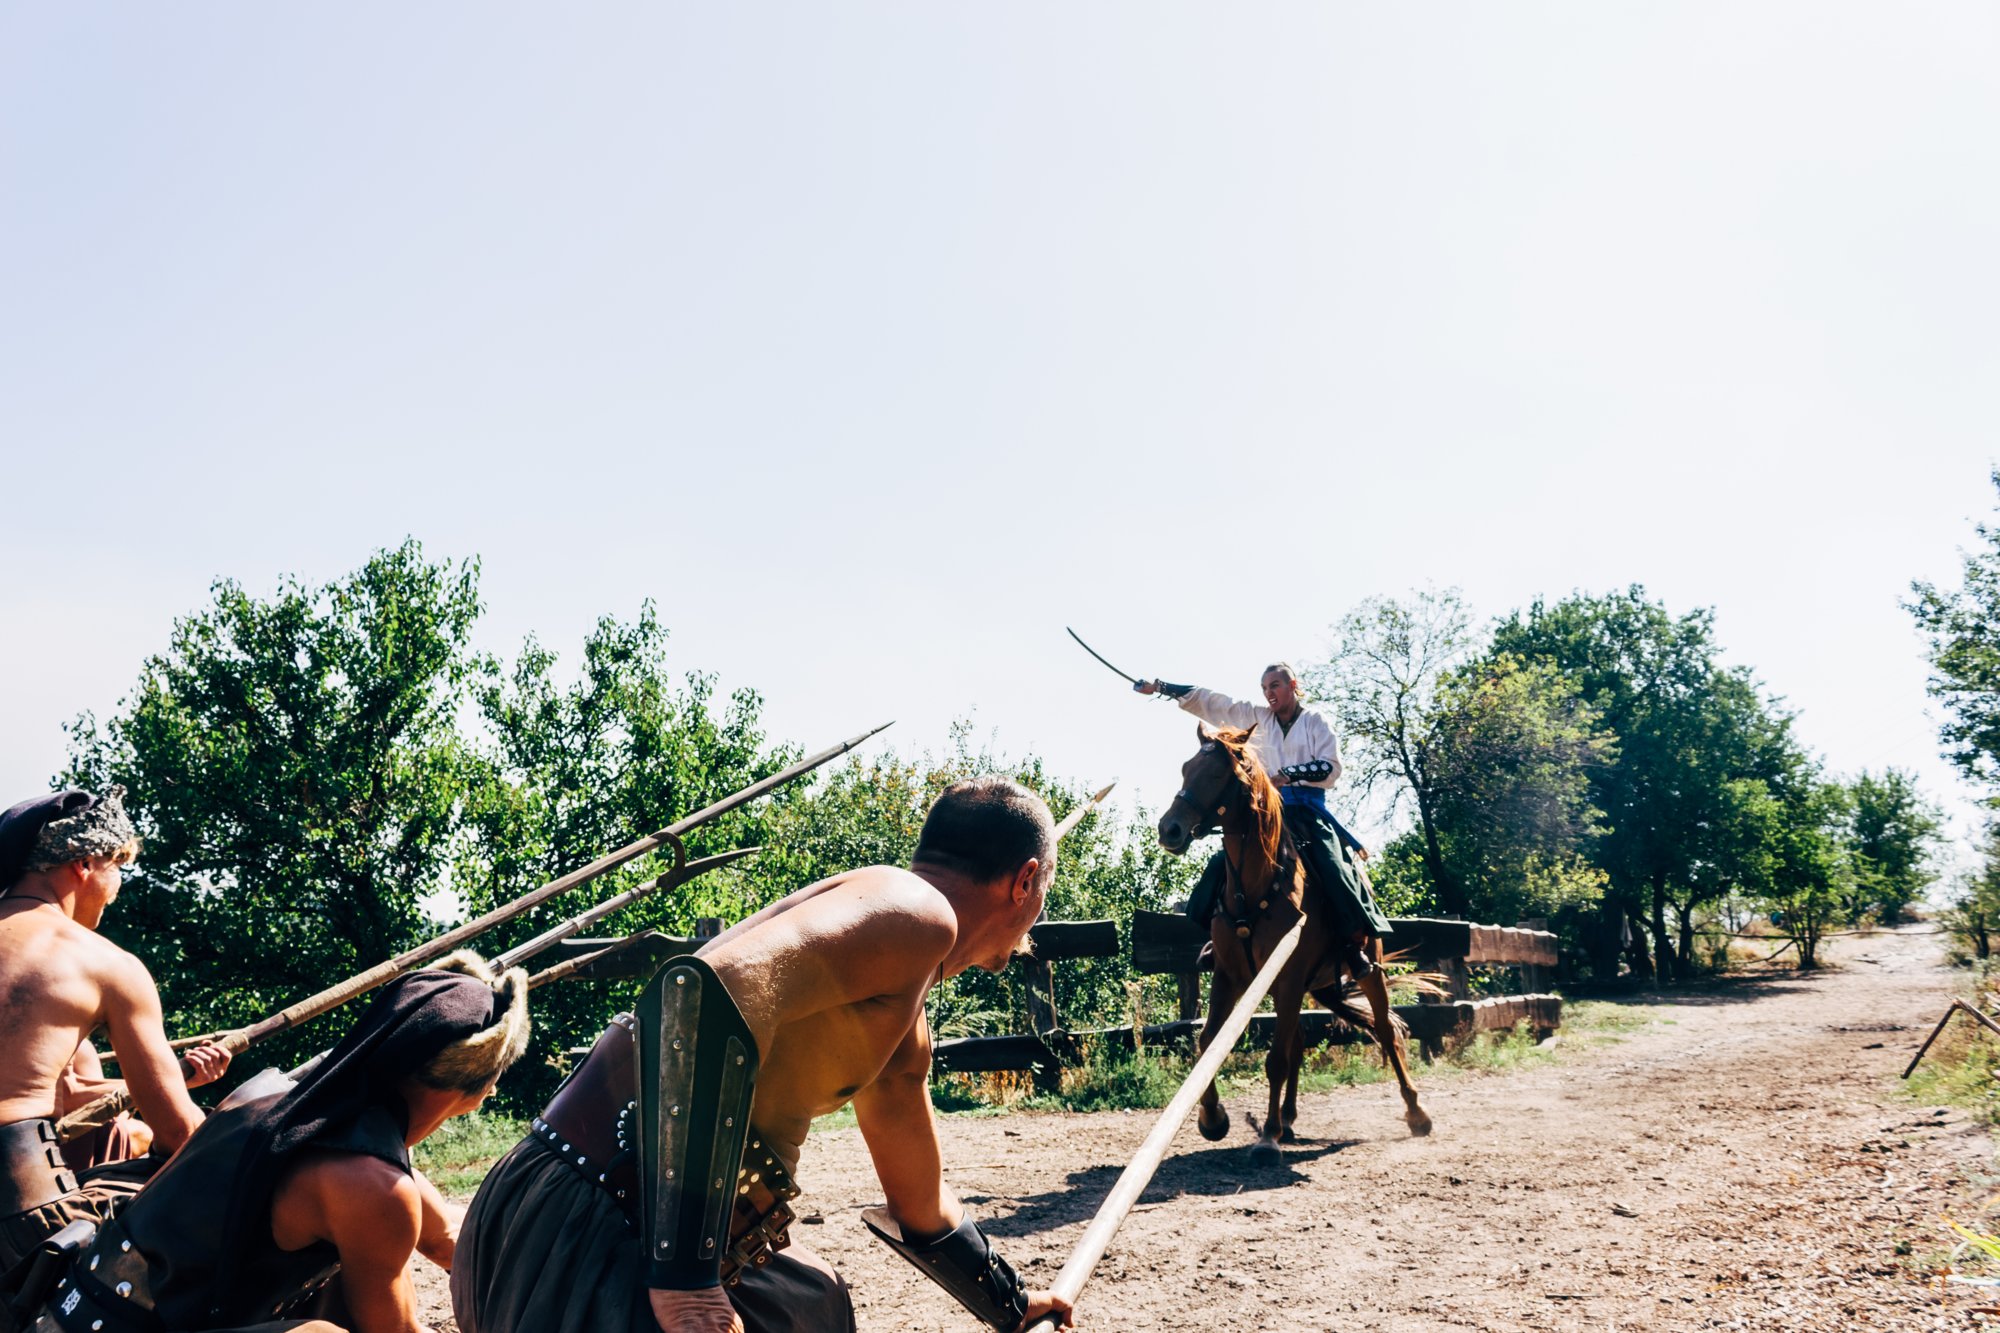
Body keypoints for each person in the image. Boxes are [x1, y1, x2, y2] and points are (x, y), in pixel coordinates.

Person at [452, 775, 1076, 1333]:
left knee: (812, 1302)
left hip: (584, 1210)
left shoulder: (898, 1014)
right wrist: (688, 1280)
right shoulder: (916, 912)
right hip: (593, 1224)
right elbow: (697, 998)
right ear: (1025, 881)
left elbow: (922, 1207)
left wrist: (1013, 1306)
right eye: (1045, 889)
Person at [19, 951, 530, 1333]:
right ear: (477, 1087)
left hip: (74, 1310)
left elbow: (446, 1240)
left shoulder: (275, 1099)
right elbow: (392, 1330)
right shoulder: (369, 1186)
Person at [0, 788, 233, 1287]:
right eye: (117, 866)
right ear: (84, 863)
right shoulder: (106, 962)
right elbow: (178, 1135)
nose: (118, 885)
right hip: (19, 1219)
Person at [1137, 663, 1390, 977]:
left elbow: (1330, 768)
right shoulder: (1258, 717)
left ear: (1292, 685)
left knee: (1332, 866)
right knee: (1224, 863)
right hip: (1267, 814)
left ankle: (1352, 945)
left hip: (1308, 813)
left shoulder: (1315, 721)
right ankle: (1218, 941)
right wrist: (1161, 687)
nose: (1270, 693)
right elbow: (1213, 703)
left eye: (1275, 685)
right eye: (1265, 688)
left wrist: (1289, 774)